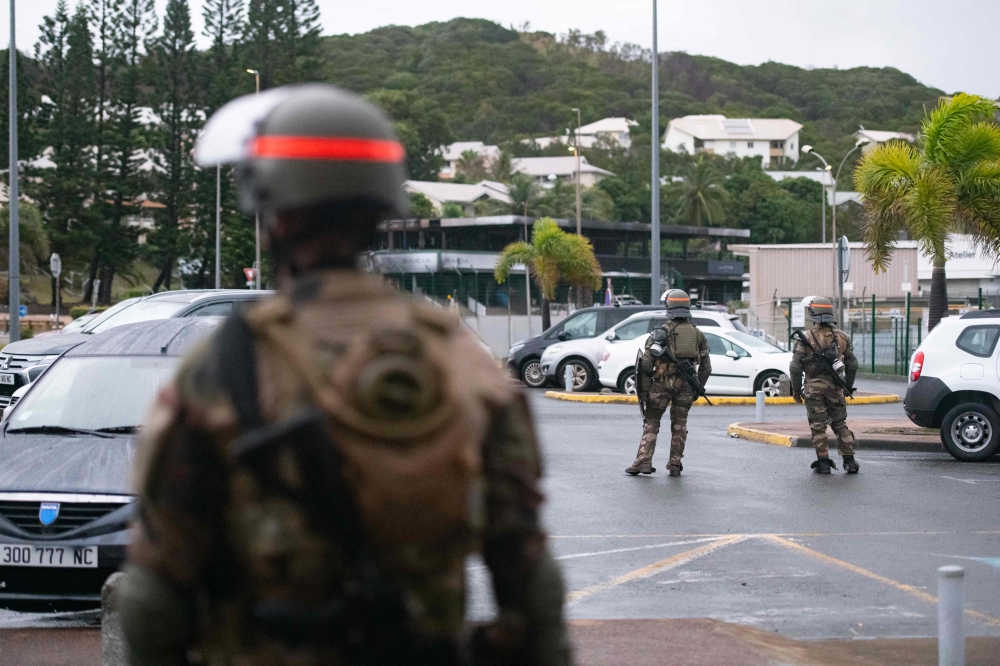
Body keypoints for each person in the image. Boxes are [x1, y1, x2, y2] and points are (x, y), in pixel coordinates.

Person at [118, 84, 571, 666]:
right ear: (381, 211)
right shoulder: (461, 359)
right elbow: (528, 572)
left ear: (274, 216)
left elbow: (155, 591)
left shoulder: (226, 365)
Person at [626, 290, 711, 477]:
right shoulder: (698, 334)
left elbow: (646, 364)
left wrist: (645, 391)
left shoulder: (660, 332)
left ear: (668, 307)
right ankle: (675, 463)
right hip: (687, 385)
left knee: (652, 422)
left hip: (662, 384)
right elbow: (706, 367)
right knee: (680, 423)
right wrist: (698, 388)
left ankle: (643, 462)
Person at [789, 296, 860, 474]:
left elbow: (795, 367)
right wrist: (847, 386)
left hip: (813, 389)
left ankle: (823, 463)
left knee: (818, 426)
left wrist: (796, 391)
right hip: (836, 389)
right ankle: (849, 461)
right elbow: (852, 364)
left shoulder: (806, 337)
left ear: (813, 314)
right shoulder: (843, 337)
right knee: (839, 423)